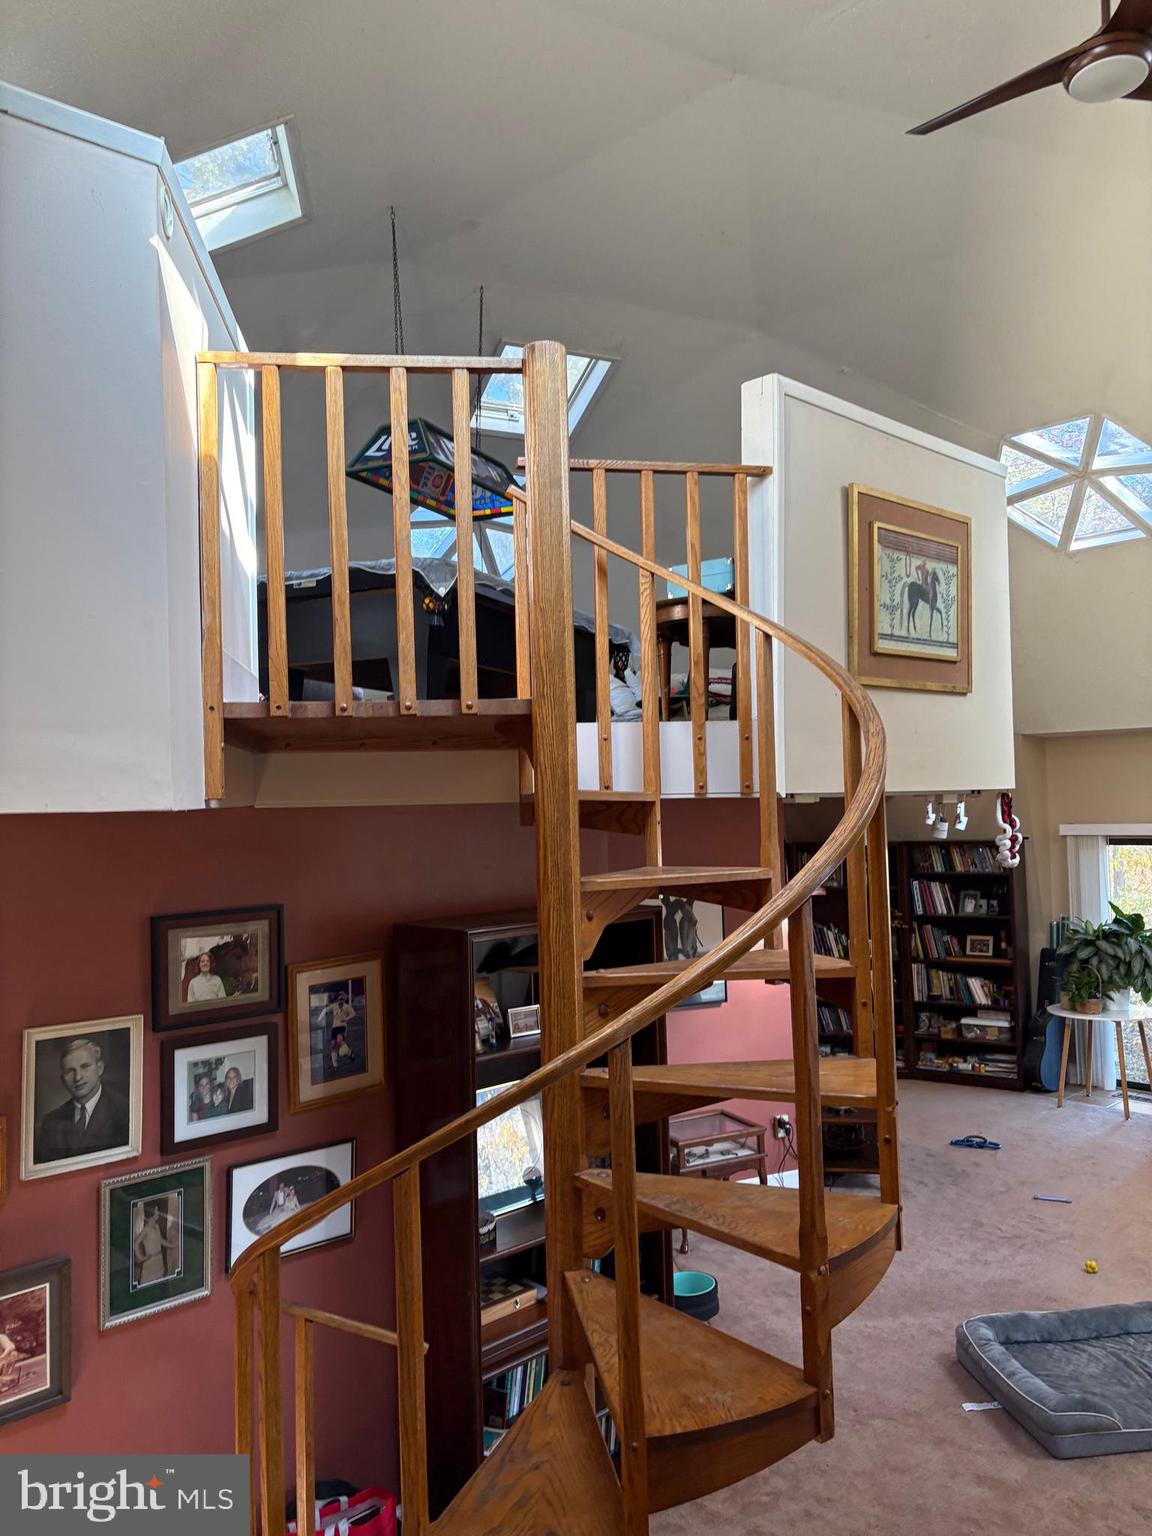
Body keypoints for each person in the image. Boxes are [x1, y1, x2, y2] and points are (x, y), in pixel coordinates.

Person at [34, 1036, 131, 1164]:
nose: (78, 1077)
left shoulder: (124, 1109)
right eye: (70, 1071)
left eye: (85, 1066)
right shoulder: (51, 1122)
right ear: (62, 1079)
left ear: (100, 1068)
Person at [133, 1202, 178, 1286]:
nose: (157, 1215)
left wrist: (172, 1245)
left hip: (159, 1259)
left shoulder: (156, 1226)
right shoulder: (146, 1228)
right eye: (156, 1212)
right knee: (148, 1283)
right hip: (150, 1261)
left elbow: (160, 1240)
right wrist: (141, 1257)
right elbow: (136, 1243)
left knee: (159, 1282)